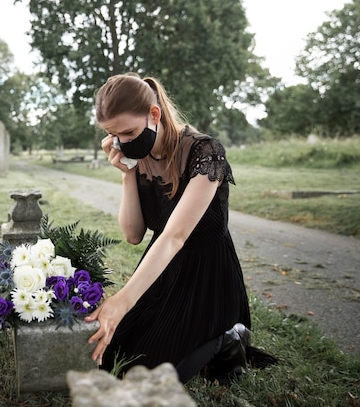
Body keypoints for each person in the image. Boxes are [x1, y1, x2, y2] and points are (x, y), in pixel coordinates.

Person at [85, 73, 276, 384]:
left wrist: (122, 300)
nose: (124, 142)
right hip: (163, 270)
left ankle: (227, 336)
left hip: (209, 274)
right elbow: (133, 235)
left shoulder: (205, 152)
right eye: (114, 136)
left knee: (148, 378)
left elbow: (176, 235)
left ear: (154, 115)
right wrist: (126, 174)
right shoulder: (139, 156)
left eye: (130, 132)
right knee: (113, 360)